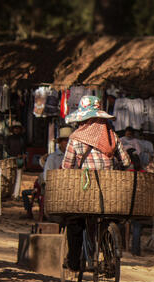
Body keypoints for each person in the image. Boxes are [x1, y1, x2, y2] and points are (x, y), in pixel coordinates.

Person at [62, 96, 131, 272]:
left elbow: (66, 166)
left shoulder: (76, 138)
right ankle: (110, 257)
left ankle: (74, 262)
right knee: (109, 217)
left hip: (85, 191)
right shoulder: (111, 136)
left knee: (75, 222)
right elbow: (126, 162)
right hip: (110, 191)